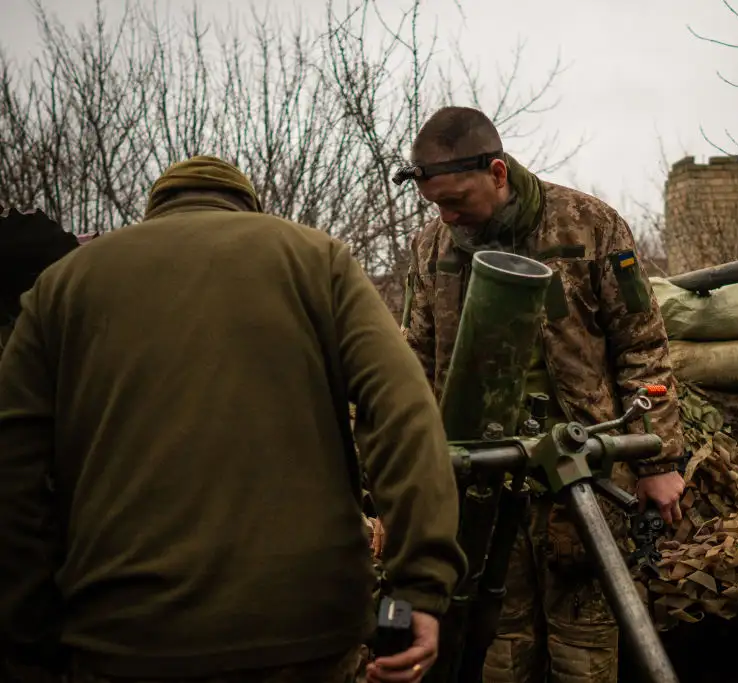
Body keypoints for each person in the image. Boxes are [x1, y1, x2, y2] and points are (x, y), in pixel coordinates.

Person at [0, 156, 467, 683]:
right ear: (249, 206)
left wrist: (29, 643)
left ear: (156, 210)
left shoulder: (58, 287)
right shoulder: (316, 259)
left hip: (121, 636)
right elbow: (402, 411)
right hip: (305, 629)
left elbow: (13, 475)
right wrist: (419, 591)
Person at [397, 107, 688, 683]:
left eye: (456, 199)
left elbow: (643, 347)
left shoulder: (589, 225)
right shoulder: (433, 247)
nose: (447, 215)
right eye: (435, 204)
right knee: (497, 646)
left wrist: (657, 459)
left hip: (583, 472)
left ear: (498, 173)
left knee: (584, 646)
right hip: (481, 477)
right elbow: (415, 361)